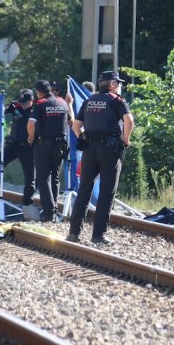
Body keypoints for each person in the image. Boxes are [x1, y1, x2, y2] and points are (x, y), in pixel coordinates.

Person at [66, 70, 133, 245]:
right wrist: (125, 140)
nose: (119, 86)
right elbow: (129, 121)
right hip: (109, 150)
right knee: (106, 192)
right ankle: (98, 235)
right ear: (111, 84)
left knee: (84, 190)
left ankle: (73, 233)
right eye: (117, 83)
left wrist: (84, 137)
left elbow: (76, 126)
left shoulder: (89, 101)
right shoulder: (117, 101)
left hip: (89, 149)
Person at [28, 80, 70, 222]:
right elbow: (71, 121)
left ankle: (49, 213)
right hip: (59, 146)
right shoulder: (62, 102)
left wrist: (31, 138)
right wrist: (70, 104)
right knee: (55, 177)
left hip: (43, 145)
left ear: (39, 92)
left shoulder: (39, 104)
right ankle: (54, 209)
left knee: (43, 178)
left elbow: (31, 125)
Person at [4, 88, 37, 217]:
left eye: (25, 102)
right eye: (21, 101)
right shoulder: (16, 105)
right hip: (13, 144)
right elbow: (3, 110)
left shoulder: (36, 110)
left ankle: (27, 203)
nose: (22, 105)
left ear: (32, 100)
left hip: (28, 147)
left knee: (30, 177)